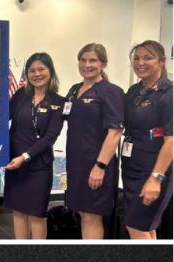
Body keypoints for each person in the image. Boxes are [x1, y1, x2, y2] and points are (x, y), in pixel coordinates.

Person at [63, 43, 125, 239]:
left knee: (91, 217)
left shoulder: (110, 91)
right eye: (83, 60)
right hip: (76, 163)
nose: (87, 65)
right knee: (82, 213)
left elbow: (115, 132)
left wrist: (100, 166)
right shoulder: (74, 90)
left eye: (93, 60)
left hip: (96, 164)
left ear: (103, 63)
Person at [2, 53, 66, 239]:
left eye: (41, 69)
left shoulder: (59, 102)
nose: (37, 74)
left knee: (37, 214)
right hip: (15, 163)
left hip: (39, 166)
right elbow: (4, 119)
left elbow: (50, 137)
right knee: (18, 212)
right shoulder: (21, 95)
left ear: (50, 71)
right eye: (32, 70)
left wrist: (25, 157)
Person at [121, 40, 172, 239]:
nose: (140, 63)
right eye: (136, 58)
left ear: (161, 61)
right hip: (132, 167)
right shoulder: (134, 91)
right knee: (145, 226)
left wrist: (155, 179)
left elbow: (171, 141)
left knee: (135, 225)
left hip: (154, 170)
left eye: (147, 57)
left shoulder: (169, 94)